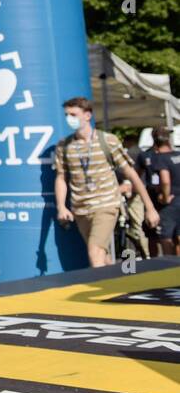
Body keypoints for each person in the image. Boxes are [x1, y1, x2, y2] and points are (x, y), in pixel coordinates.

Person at [54, 98, 157, 268]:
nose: (69, 119)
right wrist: (61, 207)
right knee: (102, 255)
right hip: (80, 209)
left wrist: (150, 208)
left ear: (87, 115)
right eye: (67, 115)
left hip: (106, 205)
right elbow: (61, 177)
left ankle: (102, 294)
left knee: (95, 251)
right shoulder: (64, 146)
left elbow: (131, 174)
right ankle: (120, 285)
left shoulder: (107, 140)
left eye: (73, 114)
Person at [138, 127, 177, 255]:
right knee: (156, 235)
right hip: (158, 199)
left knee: (165, 237)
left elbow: (165, 181)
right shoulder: (145, 156)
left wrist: (164, 196)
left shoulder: (162, 157)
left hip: (165, 201)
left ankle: (170, 266)